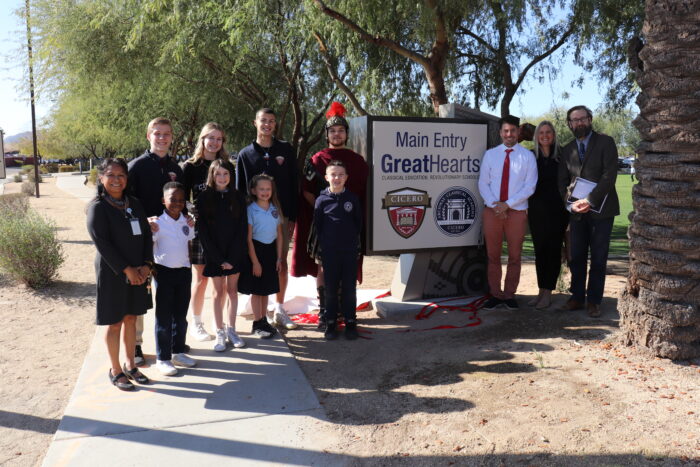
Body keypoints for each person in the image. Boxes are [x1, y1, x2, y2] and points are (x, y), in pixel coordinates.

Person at [291, 102, 369, 330]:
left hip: (350, 227)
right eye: (333, 131)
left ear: (346, 134)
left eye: (341, 130)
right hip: (324, 227)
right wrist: (324, 207)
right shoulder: (317, 160)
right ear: (327, 135)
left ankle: (346, 311)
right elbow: (305, 189)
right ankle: (326, 311)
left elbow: (364, 195)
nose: (337, 134)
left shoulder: (358, 161)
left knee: (348, 267)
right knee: (323, 268)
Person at [86, 158, 152, 391]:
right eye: (111, 175)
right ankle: (115, 370)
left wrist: (146, 265)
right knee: (114, 323)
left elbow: (145, 235)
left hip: (139, 271)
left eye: (121, 175)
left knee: (131, 318)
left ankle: (131, 365)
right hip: (113, 272)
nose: (116, 180)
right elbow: (103, 244)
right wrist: (128, 270)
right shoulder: (97, 208)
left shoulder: (134, 203)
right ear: (101, 178)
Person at [127, 117, 184, 366]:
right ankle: (136, 345)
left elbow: (181, 202)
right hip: (143, 239)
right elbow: (127, 204)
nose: (162, 138)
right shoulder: (136, 167)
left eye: (167, 134)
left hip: (171, 241)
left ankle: (172, 342)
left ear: (172, 137)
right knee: (140, 290)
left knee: (170, 293)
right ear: (148, 135)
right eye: (157, 134)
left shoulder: (176, 167)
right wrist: (143, 221)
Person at [235, 108, 298, 330]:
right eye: (263, 121)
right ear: (255, 123)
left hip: (279, 217)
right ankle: (260, 314)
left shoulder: (286, 150)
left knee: (279, 263)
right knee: (258, 263)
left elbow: (293, 185)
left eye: (271, 121)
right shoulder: (245, 154)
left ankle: (279, 309)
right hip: (254, 220)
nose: (267, 125)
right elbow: (240, 190)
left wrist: (291, 217)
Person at [558, 105, 620, 318]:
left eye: (582, 119)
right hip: (576, 213)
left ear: (590, 120)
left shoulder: (606, 142)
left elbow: (609, 176)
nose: (579, 123)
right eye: (574, 120)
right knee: (576, 257)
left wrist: (590, 200)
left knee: (599, 257)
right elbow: (562, 182)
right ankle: (576, 297)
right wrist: (571, 204)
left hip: (601, 211)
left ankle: (594, 301)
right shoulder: (566, 150)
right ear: (570, 124)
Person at [478, 115, 538, 311]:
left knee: (514, 256)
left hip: (516, 213)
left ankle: (510, 295)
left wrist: (507, 205)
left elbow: (530, 186)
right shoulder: (490, 155)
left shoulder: (527, 157)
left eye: (512, 131)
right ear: (500, 133)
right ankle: (495, 295)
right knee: (493, 255)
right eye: (505, 131)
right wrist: (495, 205)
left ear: (518, 132)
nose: (509, 134)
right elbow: (483, 183)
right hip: (492, 211)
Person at [181, 123, 229, 342]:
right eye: (211, 138)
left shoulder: (227, 166)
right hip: (200, 230)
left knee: (222, 280)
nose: (214, 142)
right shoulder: (190, 167)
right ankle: (197, 323)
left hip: (222, 231)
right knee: (201, 278)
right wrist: (189, 211)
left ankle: (221, 325)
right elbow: (181, 199)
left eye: (219, 139)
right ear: (202, 139)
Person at [195, 159, 248, 351]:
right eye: (218, 174)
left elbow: (242, 229)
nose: (222, 178)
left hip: (235, 253)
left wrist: (232, 258)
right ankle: (219, 331)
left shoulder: (239, 197)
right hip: (214, 254)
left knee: (232, 291)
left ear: (231, 176)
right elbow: (203, 232)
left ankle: (231, 329)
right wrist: (218, 258)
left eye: (226, 174)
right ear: (212, 175)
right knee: (218, 293)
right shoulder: (204, 198)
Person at [313, 160, 362, 340]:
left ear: (346, 178)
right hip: (330, 253)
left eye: (341, 174)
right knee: (331, 289)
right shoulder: (321, 200)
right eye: (333, 174)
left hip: (348, 252)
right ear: (326, 177)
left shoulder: (352, 199)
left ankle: (350, 323)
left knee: (349, 289)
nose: (337, 178)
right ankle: (331, 323)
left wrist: (351, 244)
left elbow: (358, 224)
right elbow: (318, 226)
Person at [152, 182, 197, 376]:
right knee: (164, 317)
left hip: (184, 272)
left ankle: (178, 351)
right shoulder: (156, 224)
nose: (177, 203)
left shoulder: (186, 222)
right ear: (163, 201)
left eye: (181, 200)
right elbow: (148, 246)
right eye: (172, 199)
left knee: (180, 316)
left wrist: (188, 265)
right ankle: (163, 358)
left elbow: (188, 244)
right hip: (164, 273)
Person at [527, 121, 569, 309]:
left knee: (553, 250)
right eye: (541, 132)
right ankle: (540, 290)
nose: (545, 135)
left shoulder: (562, 154)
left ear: (553, 134)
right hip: (536, 209)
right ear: (536, 136)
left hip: (558, 209)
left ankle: (548, 292)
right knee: (540, 250)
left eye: (548, 132)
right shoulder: (530, 156)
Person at [238, 174, 283, 339]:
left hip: (271, 252)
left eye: (268, 189)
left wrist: (279, 258)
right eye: (261, 189)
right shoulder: (251, 209)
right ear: (253, 190)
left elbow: (279, 235)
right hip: (256, 251)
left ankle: (264, 320)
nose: (265, 192)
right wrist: (255, 262)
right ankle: (257, 322)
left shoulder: (274, 209)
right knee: (257, 291)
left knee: (266, 290)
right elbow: (248, 238)